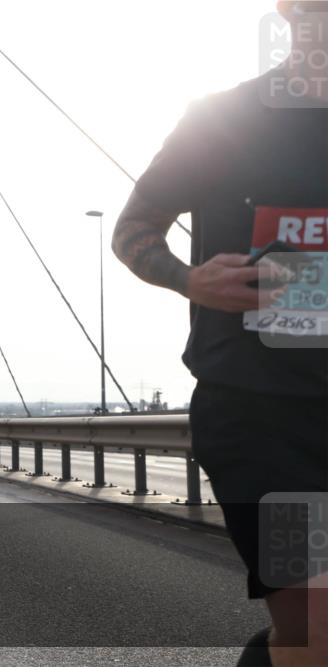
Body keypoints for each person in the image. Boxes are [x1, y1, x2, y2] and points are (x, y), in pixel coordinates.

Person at [113, 3, 327, 663]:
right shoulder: (223, 120)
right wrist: (189, 279)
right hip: (260, 419)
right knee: (317, 621)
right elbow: (132, 230)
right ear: (291, 12)